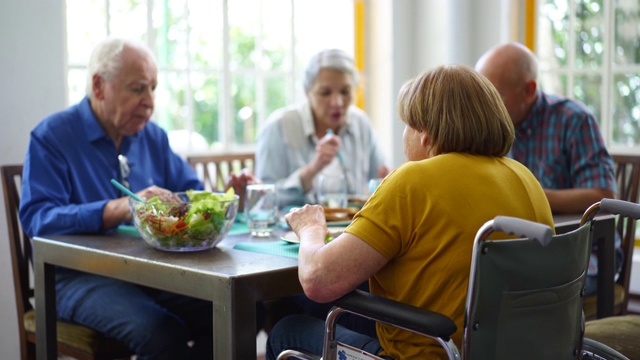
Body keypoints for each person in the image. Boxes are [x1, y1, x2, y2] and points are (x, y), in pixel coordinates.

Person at [266, 65, 554, 359]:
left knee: (287, 328)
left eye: (407, 125)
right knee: (302, 303)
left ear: (425, 133)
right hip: (511, 349)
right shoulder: (526, 179)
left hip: (431, 351)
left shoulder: (414, 180)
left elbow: (317, 279)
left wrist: (311, 227)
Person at [19, 37, 255, 359]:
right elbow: (36, 219)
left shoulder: (152, 136)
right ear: (99, 86)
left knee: (243, 311)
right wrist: (115, 208)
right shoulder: (53, 136)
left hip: (149, 272)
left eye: (153, 89)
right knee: (161, 332)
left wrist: (220, 197)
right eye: (138, 88)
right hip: (74, 277)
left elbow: (190, 191)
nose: (150, 102)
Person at [474, 42, 618, 295]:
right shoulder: (490, 127)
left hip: (583, 254)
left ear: (529, 90)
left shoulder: (574, 120)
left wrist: (532, 197)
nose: (486, 106)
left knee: (510, 293)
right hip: (522, 252)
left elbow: (603, 196)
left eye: (496, 95)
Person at [255, 48, 389, 206]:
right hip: (294, 228)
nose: (337, 102)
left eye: (345, 91)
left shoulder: (361, 123)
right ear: (307, 92)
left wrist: (388, 181)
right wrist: (312, 170)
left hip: (352, 226)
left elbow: (380, 179)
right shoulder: (279, 126)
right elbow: (263, 199)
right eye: (325, 93)